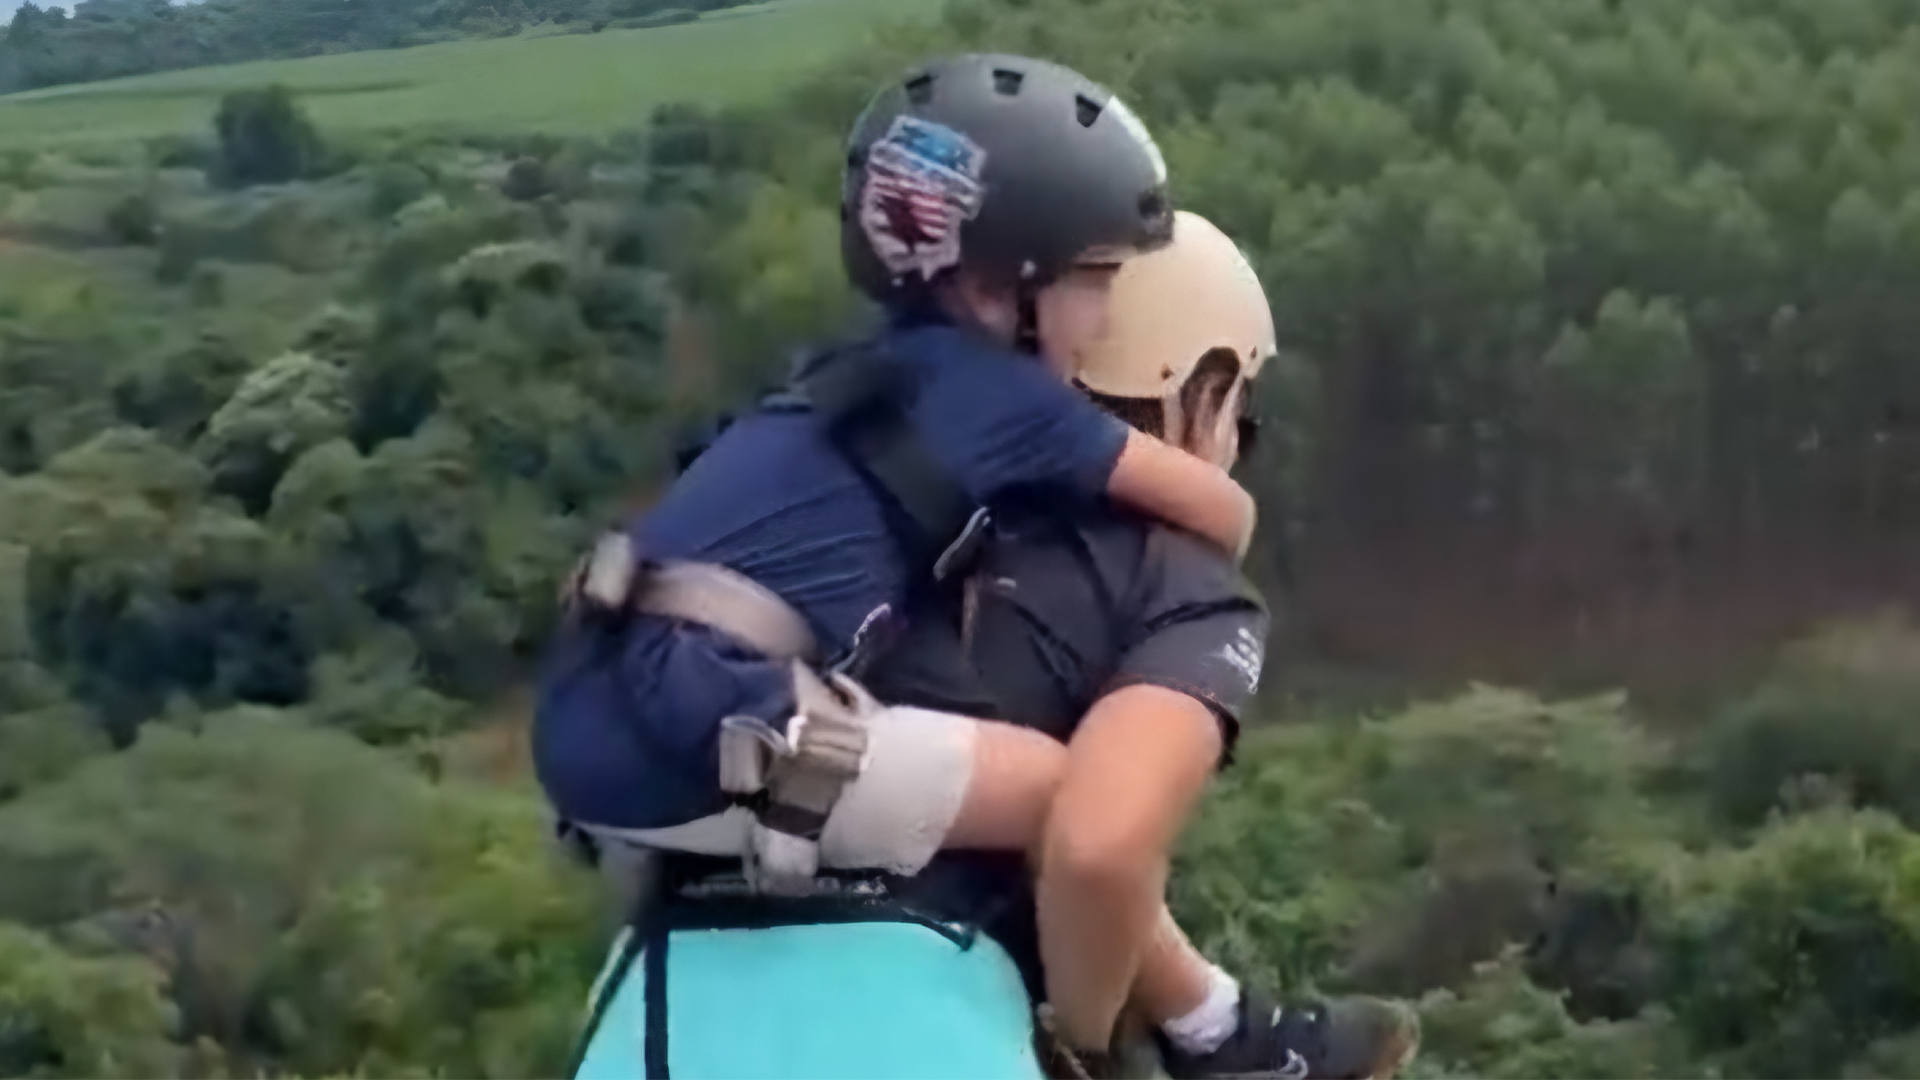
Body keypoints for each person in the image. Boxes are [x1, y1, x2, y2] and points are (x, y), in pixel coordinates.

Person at [535, 53, 1254, 891]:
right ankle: (1205, 1018)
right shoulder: (1010, 400)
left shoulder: (868, 365)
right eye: (1094, 280)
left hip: (591, 703)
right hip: (695, 732)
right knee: (1069, 797)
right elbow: (1218, 510)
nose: (1105, 319)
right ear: (997, 287)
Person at [865, 211, 1421, 1080]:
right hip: (936, 1007)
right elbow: (1098, 848)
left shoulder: (869, 508)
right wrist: (1083, 1045)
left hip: (663, 990)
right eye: (1243, 408)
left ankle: (1218, 1026)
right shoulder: (1181, 585)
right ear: (1197, 395)